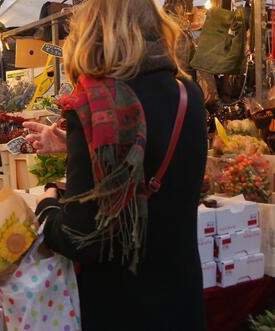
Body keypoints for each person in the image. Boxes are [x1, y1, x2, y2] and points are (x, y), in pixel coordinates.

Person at [26, 0, 207, 330]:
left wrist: (47, 207)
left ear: (93, 30)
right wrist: (75, 148)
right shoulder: (189, 95)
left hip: (123, 307)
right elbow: (160, 164)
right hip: (182, 298)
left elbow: (83, 237)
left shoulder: (95, 106)